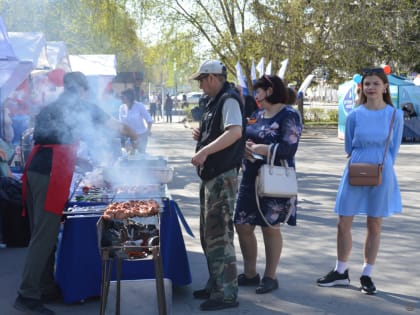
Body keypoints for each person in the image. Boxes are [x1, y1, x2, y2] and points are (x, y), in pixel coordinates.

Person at [14, 72, 138, 315]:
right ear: (81, 89)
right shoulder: (81, 105)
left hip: (37, 168)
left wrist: (76, 159)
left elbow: (50, 140)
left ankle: (45, 286)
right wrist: (135, 135)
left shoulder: (51, 106)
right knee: (44, 236)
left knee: (42, 232)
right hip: (51, 173)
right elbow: (115, 126)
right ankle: (26, 294)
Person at [317, 67, 404, 295]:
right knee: (343, 221)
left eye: (376, 83)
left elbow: (394, 148)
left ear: (385, 86)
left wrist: (380, 165)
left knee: (374, 224)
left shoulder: (395, 115)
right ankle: (341, 271)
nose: (371, 88)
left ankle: (367, 274)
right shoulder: (354, 114)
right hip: (356, 167)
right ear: (362, 87)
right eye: (367, 84)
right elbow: (348, 146)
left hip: (382, 171)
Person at [234, 75, 302, 294]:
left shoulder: (289, 114)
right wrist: (244, 148)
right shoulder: (257, 114)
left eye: (258, 91)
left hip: (275, 176)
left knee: (270, 226)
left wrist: (265, 150)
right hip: (250, 175)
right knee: (242, 224)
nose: (256, 96)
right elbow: (246, 135)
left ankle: (270, 276)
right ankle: (250, 273)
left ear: (270, 90)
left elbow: (289, 147)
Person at [190, 59, 245, 311]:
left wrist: (205, 151)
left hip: (222, 175)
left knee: (220, 236)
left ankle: (226, 294)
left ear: (212, 78)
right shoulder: (216, 101)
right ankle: (216, 284)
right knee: (209, 234)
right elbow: (221, 132)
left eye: (201, 80)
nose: (201, 86)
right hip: (212, 176)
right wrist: (202, 137)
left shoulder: (228, 99)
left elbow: (234, 132)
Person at [120, 88, 154, 154]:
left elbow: (149, 119)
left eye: (122, 97)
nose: (120, 99)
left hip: (141, 135)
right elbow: (122, 124)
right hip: (129, 136)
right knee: (129, 155)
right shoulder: (122, 108)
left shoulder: (139, 106)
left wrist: (148, 130)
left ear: (128, 97)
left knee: (140, 155)